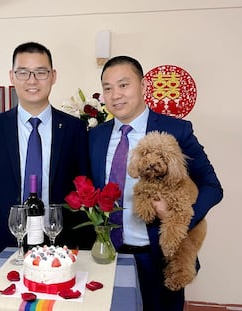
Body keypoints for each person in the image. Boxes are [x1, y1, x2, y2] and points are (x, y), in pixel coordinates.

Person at [88, 56, 223, 310]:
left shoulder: (177, 130)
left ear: (143, 86)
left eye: (124, 85)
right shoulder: (95, 136)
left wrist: (178, 218)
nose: (115, 95)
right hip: (107, 256)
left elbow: (212, 187)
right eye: (108, 88)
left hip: (157, 257)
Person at [0, 42, 92, 275]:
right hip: (3, 246)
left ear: (53, 76)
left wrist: (83, 250)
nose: (32, 80)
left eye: (41, 72)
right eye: (23, 72)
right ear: (12, 76)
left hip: (60, 246)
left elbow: (83, 191)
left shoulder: (74, 129)